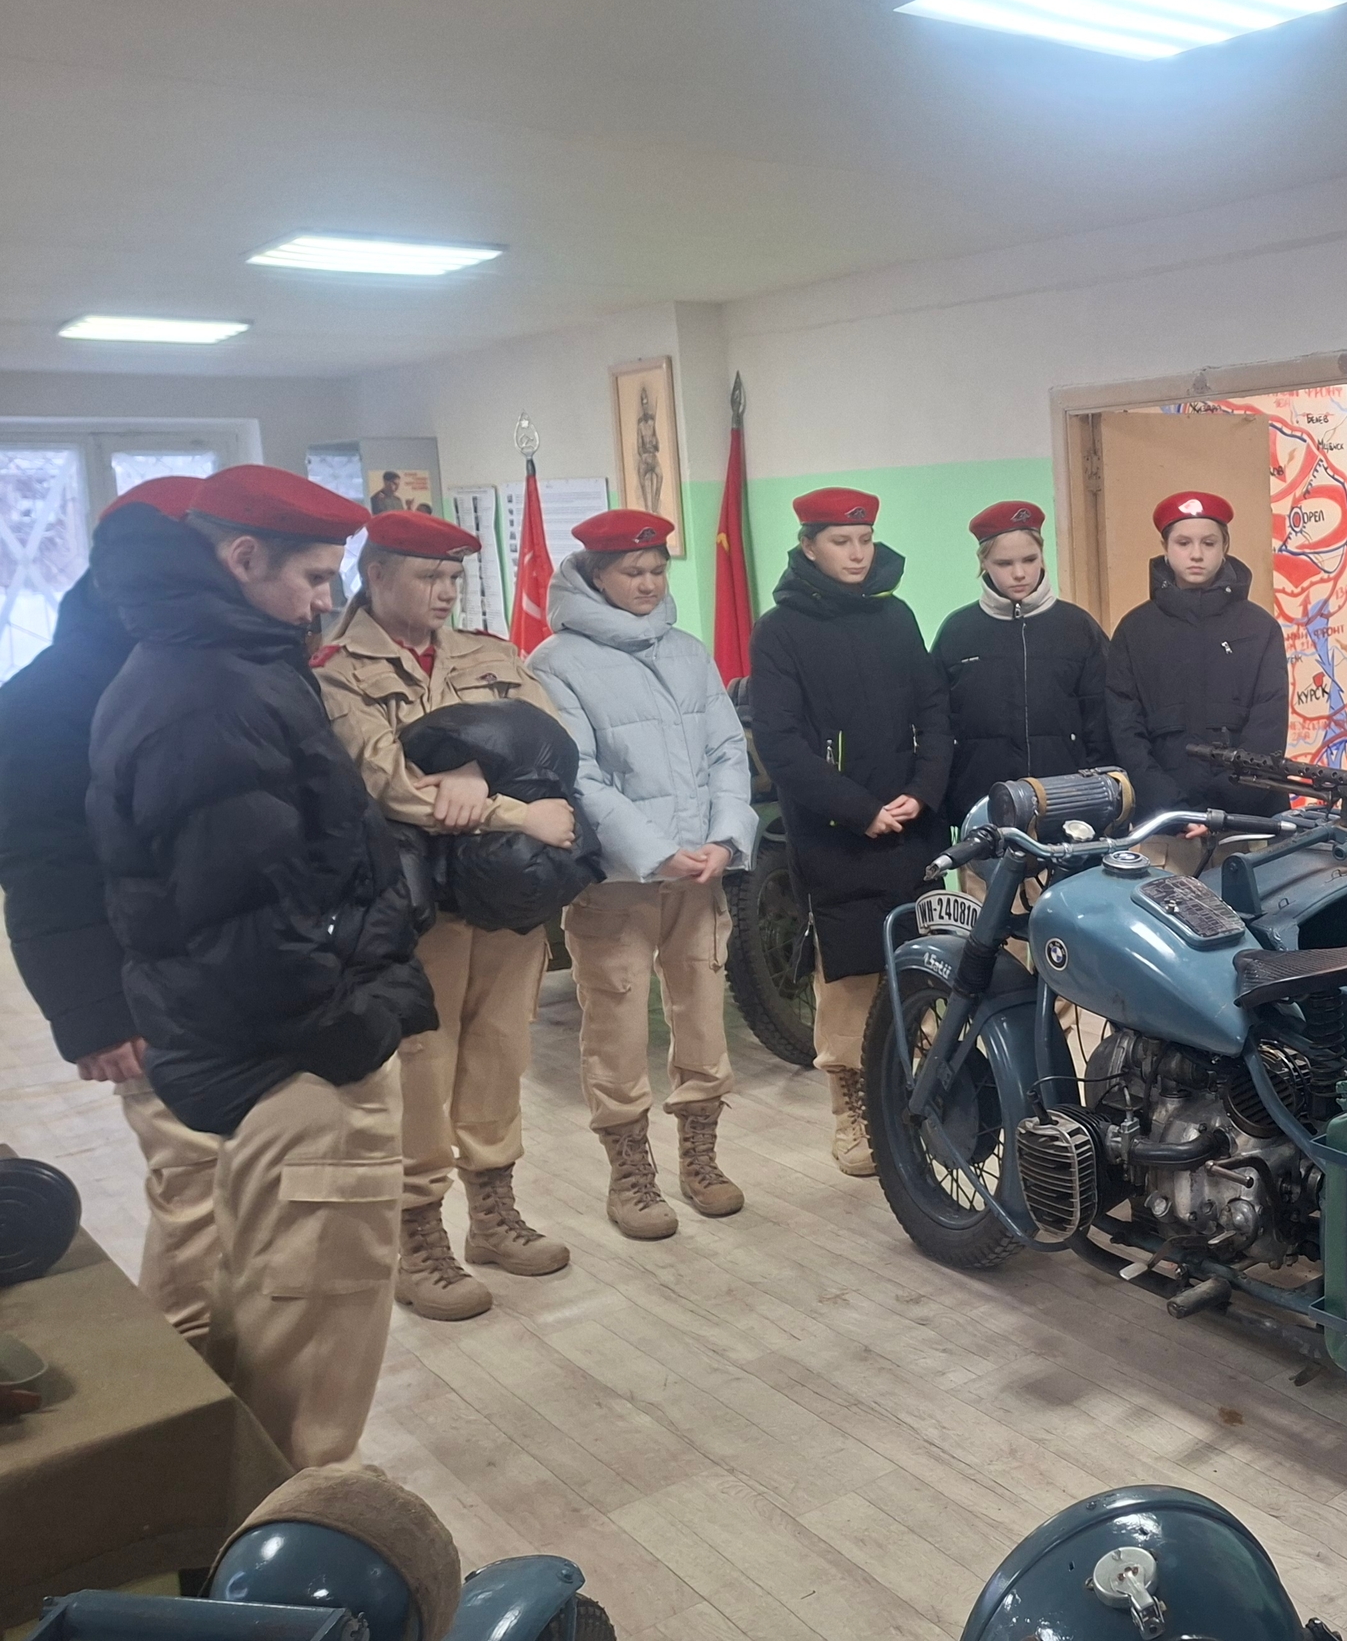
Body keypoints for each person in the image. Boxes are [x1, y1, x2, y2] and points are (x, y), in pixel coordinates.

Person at [87, 464, 434, 1468]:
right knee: (306, 1354)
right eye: (315, 576)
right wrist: (352, 1028)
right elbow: (247, 922)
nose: (327, 599)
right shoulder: (209, 694)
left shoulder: (219, 662)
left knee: (280, 1322)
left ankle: (259, 1512)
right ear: (243, 558)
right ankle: (286, 1535)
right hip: (295, 1066)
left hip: (277, 1049)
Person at [313, 509, 580, 1323]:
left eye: (455, 578)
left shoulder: (490, 655)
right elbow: (388, 783)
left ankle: (493, 1215)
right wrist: (513, 810)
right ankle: (418, 1236)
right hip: (411, 901)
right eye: (428, 577)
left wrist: (470, 767)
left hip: (502, 896)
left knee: (500, 1049)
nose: (445, 592)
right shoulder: (335, 671)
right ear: (376, 574)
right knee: (421, 1065)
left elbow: (549, 748)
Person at [0, 477, 220, 1343]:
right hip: (146, 988)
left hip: (238, 967)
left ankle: (243, 1379)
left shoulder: (218, 661)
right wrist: (94, 1012)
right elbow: (41, 867)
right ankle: (189, 1385)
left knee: (254, 1194)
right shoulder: (44, 699)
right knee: (197, 1191)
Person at [527, 509, 758, 1238]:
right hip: (616, 880)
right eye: (633, 572)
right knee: (617, 1023)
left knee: (703, 1013)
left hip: (700, 874)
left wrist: (725, 837)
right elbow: (579, 776)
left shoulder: (687, 651)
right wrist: (654, 849)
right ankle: (630, 1172)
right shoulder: (555, 662)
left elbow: (727, 751)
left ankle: (701, 1157)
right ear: (596, 575)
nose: (649, 583)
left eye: (658, 570)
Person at [748, 488, 951, 1177]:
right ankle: (854, 1113)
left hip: (913, 826)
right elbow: (780, 743)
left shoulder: (896, 615)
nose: (858, 553)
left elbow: (934, 710)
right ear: (809, 546)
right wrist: (860, 809)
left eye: (864, 539)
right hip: (836, 833)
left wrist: (923, 790)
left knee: (920, 964)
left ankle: (920, 1100)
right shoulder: (780, 630)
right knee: (850, 976)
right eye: (841, 542)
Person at [1105, 490, 1288, 871]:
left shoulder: (1259, 628)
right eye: (1183, 543)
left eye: (1209, 543)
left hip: (1248, 826)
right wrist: (1172, 808)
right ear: (1165, 548)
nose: (1196, 554)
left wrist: (1222, 807)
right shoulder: (1135, 630)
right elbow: (1126, 731)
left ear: (1225, 547)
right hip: (1164, 831)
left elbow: (1268, 728)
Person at [931, 500, 1112, 821]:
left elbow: (1102, 721)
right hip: (981, 809)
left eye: (1030, 559)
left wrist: (1098, 797)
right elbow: (937, 724)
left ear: (1042, 556)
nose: (1019, 573)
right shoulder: (957, 632)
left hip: (1068, 808)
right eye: (1004, 563)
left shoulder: (1078, 628)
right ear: (983, 562)